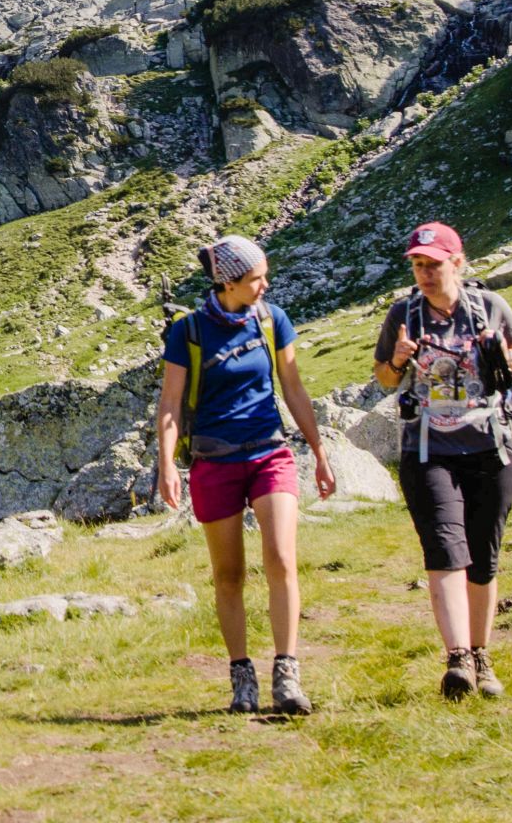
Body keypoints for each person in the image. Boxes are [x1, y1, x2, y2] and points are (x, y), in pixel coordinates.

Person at [154, 233, 337, 716]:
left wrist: (318, 450)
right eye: (256, 278)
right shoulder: (189, 332)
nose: (265, 285)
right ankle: (241, 677)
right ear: (228, 282)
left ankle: (287, 673)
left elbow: (293, 388)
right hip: (214, 461)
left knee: (280, 558)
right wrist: (167, 465)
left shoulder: (272, 319)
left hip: (269, 453)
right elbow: (171, 404)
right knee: (229, 574)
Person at [372, 220, 512, 702]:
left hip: (491, 447)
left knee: (482, 559)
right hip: (427, 450)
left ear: (457, 263)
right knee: (445, 551)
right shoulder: (404, 314)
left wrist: (499, 352)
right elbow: (383, 376)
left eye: (434, 265)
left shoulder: (489, 307)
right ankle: (458, 658)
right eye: (419, 266)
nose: (425, 274)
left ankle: (482, 655)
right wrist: (399, 359)